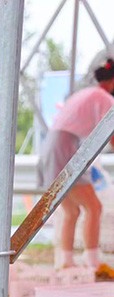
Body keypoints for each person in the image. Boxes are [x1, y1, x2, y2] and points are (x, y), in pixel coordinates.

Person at [39, 57, 114, 269]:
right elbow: (112, 137)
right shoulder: (105, 99)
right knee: (94, 207)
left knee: (72, 210)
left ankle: (67, 261)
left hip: (52, 146)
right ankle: (92, 261)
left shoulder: (86, 93)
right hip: (66, 147)